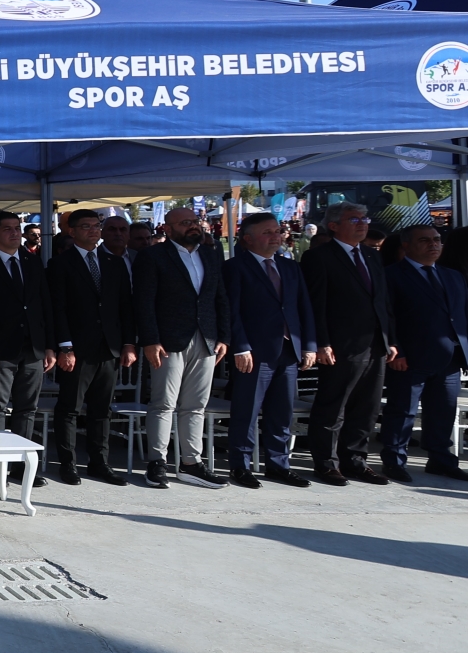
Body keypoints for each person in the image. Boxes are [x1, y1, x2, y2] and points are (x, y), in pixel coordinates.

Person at [133, 206, 230, 489]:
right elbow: (144, 301)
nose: (193, 226)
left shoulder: (211, 254)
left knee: (196, 405)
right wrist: (150, 340)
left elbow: (220, 298)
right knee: (163, 403)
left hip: (206, 338)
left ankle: (191, 463)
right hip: (167, 341)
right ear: (168, 228)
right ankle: (157, 462)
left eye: (195, 221)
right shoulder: (153, 256)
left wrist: (224, 337)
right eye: (185, 222)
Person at [301, 202, 398, 485]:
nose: (362, 223)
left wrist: (390, 339)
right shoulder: (319, 257)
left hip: (375, 343)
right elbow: (315, 304)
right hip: (340, 345)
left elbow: (383, 301)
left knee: (367, 407)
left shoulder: (371, 255)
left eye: (364, 219)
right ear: (333, 226)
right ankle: (326, 463)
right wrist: (321, 342)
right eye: (354, 219)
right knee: (334, 406)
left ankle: (355, 461)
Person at [224, 212, 317, 488]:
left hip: (288, 350)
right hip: (254, 353)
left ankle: (279, 465)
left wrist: (309, 345)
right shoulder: (235, 268)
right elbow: (232, 311)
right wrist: (241, 347)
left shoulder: (289, 267)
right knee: (247, 412)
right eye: (267, 232)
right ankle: (240, 466)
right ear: (248, 239)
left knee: (281, 413)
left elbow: (303, 308)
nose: (275, 236)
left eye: (277, 231)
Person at [46, 209, 137, 485]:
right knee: (70, 408)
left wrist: (128, 343)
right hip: (76, 349)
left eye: (96, 225)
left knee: (102, 409)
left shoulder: (114, 263)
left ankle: (100, 463)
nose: (93, 230)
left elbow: (125, 307)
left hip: (108, 347)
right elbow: (57, 308)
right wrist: (65, 347)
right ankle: (68, 464)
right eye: (85, 226)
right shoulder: (59, 264)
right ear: (71, 231)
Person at [0, 210, 55, 486]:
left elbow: (45, 305)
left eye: (17, 228)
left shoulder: (32, 261)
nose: (15, 233)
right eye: (8, 229)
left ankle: (21, 467)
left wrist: (50, 346)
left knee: (27, 408)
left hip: (32, 347)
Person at [379, 225, 468, 482]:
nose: (433, 244)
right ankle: (394, 460)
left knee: (443, 411)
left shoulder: (453, 276)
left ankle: (441, 460)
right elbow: (388, 317)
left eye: (437, 240)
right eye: (425, 240)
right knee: (402, 411)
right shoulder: (391, 275)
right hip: (410, 358)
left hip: (450, 358)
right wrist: (396, 350)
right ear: (406, 246)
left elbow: (460, 315)